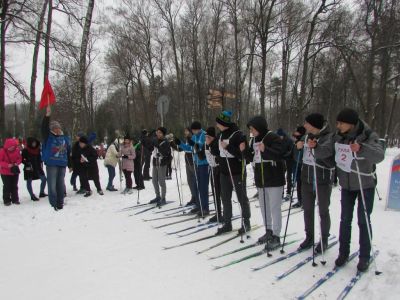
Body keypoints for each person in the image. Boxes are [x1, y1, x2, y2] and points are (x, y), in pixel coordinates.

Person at [334, 108, 384, 272]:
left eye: (341, 123)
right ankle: (343, 252)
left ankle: (364, 256)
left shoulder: (368, 135)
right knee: (345, 219)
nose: (338, 125)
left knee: (363, 220)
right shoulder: (340, 136)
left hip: (365, 184)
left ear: (351, 123)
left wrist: (361, 148)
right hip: (347, 185)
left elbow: (379, 155)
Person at [244, 116, 285, 249]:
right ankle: (268, 230)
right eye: (250, 129)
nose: (252, 131)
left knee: (274, 207)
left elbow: (279, 154)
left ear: (260, 127)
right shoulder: (253, 140)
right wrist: (244, 150)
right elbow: (250, 157)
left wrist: (265, 150)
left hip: (274, 178)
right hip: (261, 179)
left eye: (253, 128)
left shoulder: (273, 137)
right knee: (264, 207)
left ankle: (277, 235)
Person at [297, 113, 335, 253]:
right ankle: (309, 237)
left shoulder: (329, 137)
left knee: (323, 211)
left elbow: (330, 160)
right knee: (307, 209)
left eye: (307, 123)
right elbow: (298, 156)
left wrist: (316, 148)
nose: (304, 125)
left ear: (314, 125)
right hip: (306, 178)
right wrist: (299, 146)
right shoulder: (306, 136)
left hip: (322, 180)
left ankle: (324, 239)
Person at [208, 111, 251, 235]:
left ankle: (246, 222)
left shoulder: (239, 135)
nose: (216, 125)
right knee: (225, 198)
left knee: (241, 197)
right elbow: (217, 151)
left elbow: (242, 156)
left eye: (218, 123)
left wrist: (228, 147)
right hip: (224, 172)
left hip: (237, 172)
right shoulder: (220, 135)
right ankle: (227, 223)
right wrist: (211, 145)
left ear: (223, 123)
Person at [41, 106, 71, 210]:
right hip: (52, 163)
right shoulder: (48, 136)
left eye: (59, 127)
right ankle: (53, 203)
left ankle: (60, 203)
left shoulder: (64, 138)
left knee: (60, 184)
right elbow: (44, 127)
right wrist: (47, 116)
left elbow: (68, 151)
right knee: (52, 184)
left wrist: (70, 164)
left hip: (62, 163)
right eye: (55, 128)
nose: (58, 129)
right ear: (52, 129)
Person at [176, 121, 209, 216]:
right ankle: (198, 206)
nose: (193, 132)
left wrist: (194, 143)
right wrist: (180, 144)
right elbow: (190, 149)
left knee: (203, 187)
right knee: (196, 186)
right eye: (193, 130)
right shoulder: (194, 136)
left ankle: (205, 208)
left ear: (199, 129)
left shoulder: (204, 135)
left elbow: (201, 146)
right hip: (196, 164)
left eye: (195, 130)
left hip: (204, 164)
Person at [149, 127, 171, 206]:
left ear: (163, 134)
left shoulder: (165, 142)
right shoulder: (155, 140)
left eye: (160, 132)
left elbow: (166, 152)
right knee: (154, 180)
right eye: (157, 132)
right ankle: (157, 196)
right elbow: (150, 147)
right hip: (155, 162)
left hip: (162, 163)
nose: (158, 134)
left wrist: (158, 147)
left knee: (161, 181)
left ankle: (163, 198)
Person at [205, 127, 222, 223]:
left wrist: (210, 146)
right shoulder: (207, 144)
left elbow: (218, 154)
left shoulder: (216, 143)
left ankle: (225, 213)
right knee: (215, 192)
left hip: (219, 169)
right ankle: (218, 212)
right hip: (212, 168)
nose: (206, 138)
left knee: (221, 192)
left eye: (207, 136)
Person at [0, 138, 22, 206]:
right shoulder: (2, 151)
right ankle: (6, 200)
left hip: (14, 171)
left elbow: (19, 158)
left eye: (13, 147)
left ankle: (15, 199)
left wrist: (16, 163)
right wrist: (7, 165)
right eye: (10, 147)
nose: (12, 148)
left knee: (14, 186)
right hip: (5, 172)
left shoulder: (17, 150)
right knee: (7, 186)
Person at [276, 128, 295, 201]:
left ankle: (289, 193)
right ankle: (281, 193)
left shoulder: (289, 140)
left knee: (289, 177)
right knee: (281, 176)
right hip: (282, 160)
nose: (279, 137)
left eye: (280, 136)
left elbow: (291, 151)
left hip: (289, 160)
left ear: (282, 135)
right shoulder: (278, 140)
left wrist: (284, 156)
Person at [291, 126, 306, 208]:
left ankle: (304, 201)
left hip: (302, 164)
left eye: (297, 132)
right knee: (299, 183)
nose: (295, 133)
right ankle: (300, 200)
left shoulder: (303, 140)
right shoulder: (297, 140)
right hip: (297, 163)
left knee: (302, 184)